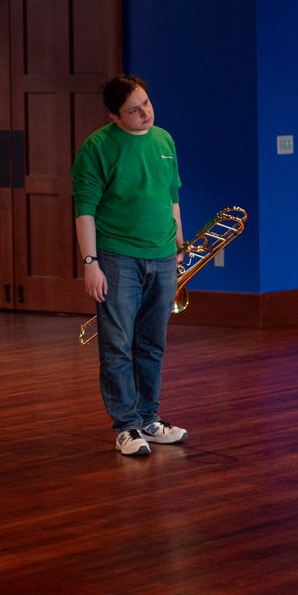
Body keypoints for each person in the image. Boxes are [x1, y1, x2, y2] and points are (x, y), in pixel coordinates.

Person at [71, 75, 187, 457]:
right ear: (114, 116)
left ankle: (149, 419)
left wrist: (179, 243)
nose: (145, 113)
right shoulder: (98, 147)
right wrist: (91, 263)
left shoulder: (164, 140)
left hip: (162, 257)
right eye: (133, 110)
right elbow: (84, 208)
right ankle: (126, 426)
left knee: (153, 342)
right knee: (117, 344)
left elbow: (172, 197)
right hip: (117, 257)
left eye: (147, 103)